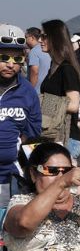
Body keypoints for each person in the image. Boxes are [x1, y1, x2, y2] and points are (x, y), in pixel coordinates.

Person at [0, 24, 41, 207]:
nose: (10, 64)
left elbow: (31, 138)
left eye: (17, 58)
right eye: (4, 57)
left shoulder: (28, 93)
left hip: (10, 177)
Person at [37, 20, 80, 144]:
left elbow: (73, 105)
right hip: (51, 132)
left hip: (65, 136)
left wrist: (41, 102)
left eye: (44, 36)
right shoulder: (53, 65)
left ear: (56, 38)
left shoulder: (67, 68)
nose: (40, 40)